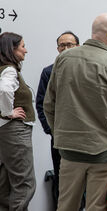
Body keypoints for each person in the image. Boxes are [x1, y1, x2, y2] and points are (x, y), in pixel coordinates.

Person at [43, 13, 107, 211]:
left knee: (66, 205)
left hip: (69, 152)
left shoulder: (64, 59)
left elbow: (49, 104)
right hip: (104, 153)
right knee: (97, 207)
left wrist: (60, 135)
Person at [36, 30, 80, 210]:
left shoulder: (86, 69)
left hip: (84, 136)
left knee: (83, 181)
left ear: (78, 47)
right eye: (63, 45)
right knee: (62, 181)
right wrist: (51, 130)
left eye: (70, 44)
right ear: (57, 49)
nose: (66, 48)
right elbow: (41, 103)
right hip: (60, 138)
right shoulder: (49, 72)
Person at [0, 32, 36, 210]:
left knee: (5, 183)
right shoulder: (9, 70)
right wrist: (7, 113)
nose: (26, 51)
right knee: (25, 184)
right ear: (11, 49)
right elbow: (5, 90)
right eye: (22, 46)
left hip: (5, 132)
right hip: (15, 131)